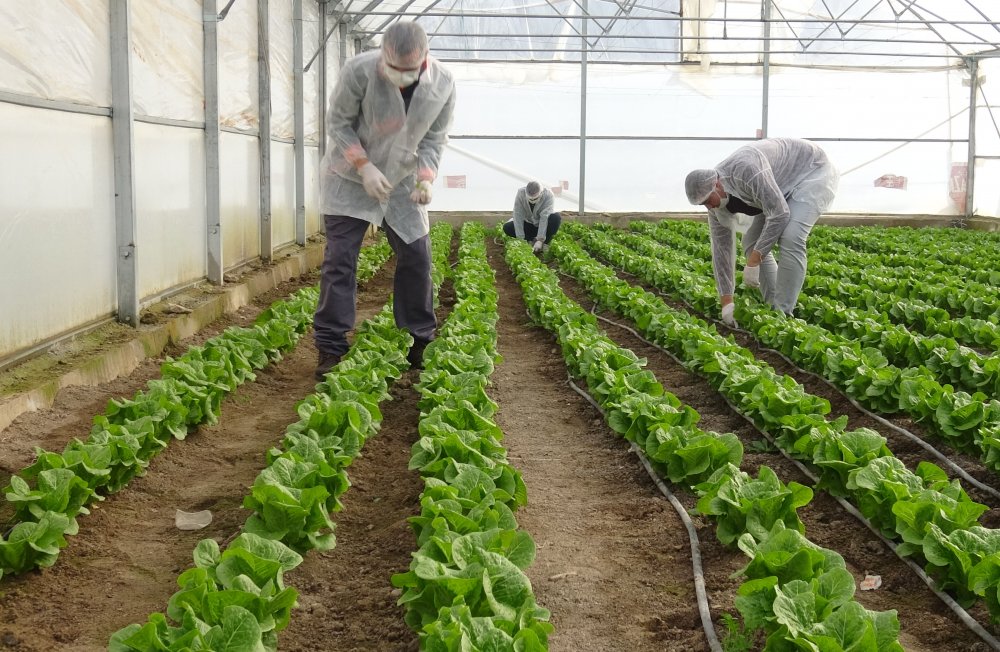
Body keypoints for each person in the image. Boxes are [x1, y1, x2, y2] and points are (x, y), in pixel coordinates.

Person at [313, 22, 456, 380]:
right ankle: (330, 346)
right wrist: (363, 166)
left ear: (424, 59)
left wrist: (426, 178)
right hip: (348, 178)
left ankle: (420, 338)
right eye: (392, 68)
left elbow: (435, 140)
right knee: (340, 260)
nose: (400, 77)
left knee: (417, 257)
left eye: (409, 71)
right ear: (383, 55)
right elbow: (338, 124)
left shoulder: (443, 83)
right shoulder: (359, 70)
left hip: (404, 181)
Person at [684, 137, 838, 327]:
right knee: (750, 241)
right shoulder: (715, 207)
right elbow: (721, 250)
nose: (708, 206)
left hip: (810, 171)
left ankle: (783, 313)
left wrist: (755, 260)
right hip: (778, 186)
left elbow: (780, 213)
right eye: (702, 204)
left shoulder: (745, 170)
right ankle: (773, 303)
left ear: (717, 185)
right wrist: (726, 302)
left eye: (708, 200)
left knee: (791, 237)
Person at [502, 181, 562, 253]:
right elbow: (518, 215)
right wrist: (521, 239)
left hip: (543, 226)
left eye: (535, 199)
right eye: (530, 199)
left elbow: (544, 217)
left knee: (556, 218)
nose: (532, 201)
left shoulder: (548, 195)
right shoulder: (521, 193)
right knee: (507, 227)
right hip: (529, 224)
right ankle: (530, 241)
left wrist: (540, 239)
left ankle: (545, 243)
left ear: (541, 193)